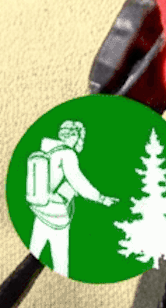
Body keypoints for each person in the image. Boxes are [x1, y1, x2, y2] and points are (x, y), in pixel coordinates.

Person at [26, 119, 117, 278]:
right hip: (56, 213)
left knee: (33, 254)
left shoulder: (48, 149)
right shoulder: (67, 154)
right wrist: (101, 198)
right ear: (75, 136)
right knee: (60, 259)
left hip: (40, 208)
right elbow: (78, 181)